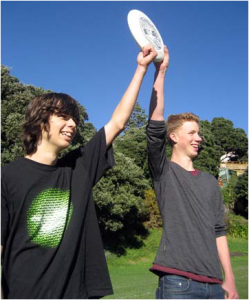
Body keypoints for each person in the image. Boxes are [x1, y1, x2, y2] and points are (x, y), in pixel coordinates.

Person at [0, 44, 158, 300]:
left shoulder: (79, 167)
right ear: (40, 121)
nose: (72, 123)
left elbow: (118, 122)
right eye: (63, 116)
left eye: (74, 118)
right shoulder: (6, 178)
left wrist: (141, 68)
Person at [146, 46, 239, 300]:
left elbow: (219, 231)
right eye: (192, 133)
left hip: (215, 285)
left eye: (199, 133)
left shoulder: (210, 182)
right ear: (173, 137)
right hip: (178, 283)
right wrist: (161, 72)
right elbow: (155, 122)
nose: (199, 138)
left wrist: (229, 279)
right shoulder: (164, 172)